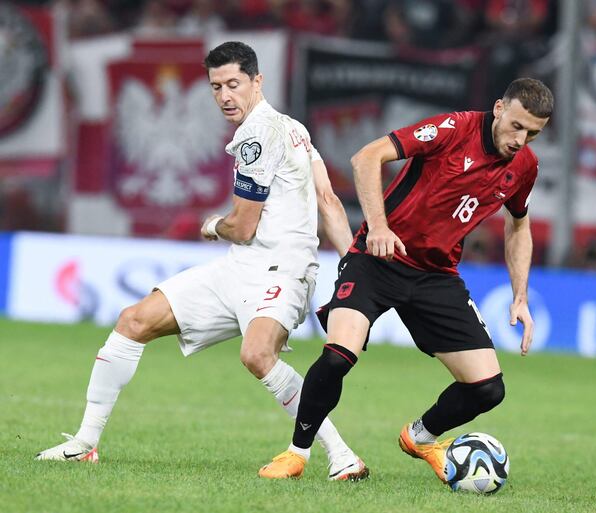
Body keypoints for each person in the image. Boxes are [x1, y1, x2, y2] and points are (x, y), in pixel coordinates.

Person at [35, 41, 369, 482]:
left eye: (234, 84)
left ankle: (341, 454)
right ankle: (84, 444)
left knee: (257, 355)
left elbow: (243, 226)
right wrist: (353, 262)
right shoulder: (294, 129)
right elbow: (328, 200)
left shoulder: (255, 136)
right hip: (239, 268)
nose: (225, 96)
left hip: (281, 270)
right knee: (134, 321)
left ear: (257, 81)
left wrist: (213, 226)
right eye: (216, 87)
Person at [258, 78, 553, 480]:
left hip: (436, 275)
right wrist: (378, 227)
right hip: (378, 259)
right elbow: (367, 157)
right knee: (338, 355)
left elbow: (518, 225)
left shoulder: (525, 166)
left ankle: (420, 437)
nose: (521, 140)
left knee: (487, 388)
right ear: (499, 108)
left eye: (533, 133)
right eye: (517, 126)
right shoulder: (453, 129)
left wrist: (520, 296)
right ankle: (297, 454)